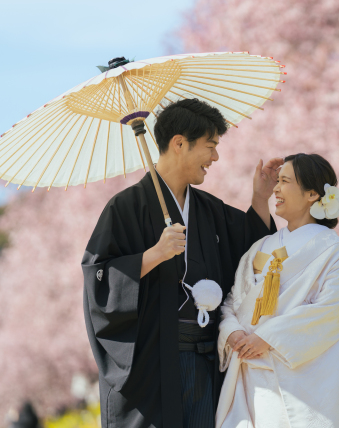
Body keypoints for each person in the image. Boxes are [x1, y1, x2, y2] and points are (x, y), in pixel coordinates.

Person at [82, 98, 280, 428]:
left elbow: (250, 255)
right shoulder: (125, 207)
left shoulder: (209, 209)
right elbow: (98, 280)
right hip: (153, 364)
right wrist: (154, 255)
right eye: (210, 146)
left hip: (204, 360)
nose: (215, 157)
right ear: (179, 143)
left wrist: (260, 199)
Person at [216, 153, 339, 428]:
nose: (276, 189)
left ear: (313, 193)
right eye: (277, 181)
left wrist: (267, 338)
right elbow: (234, 300)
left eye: (285, 181)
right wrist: (231, 331)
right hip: (249, 372)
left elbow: (331, 309)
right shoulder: (262, 246)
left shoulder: (328, 245)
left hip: (297, 375)